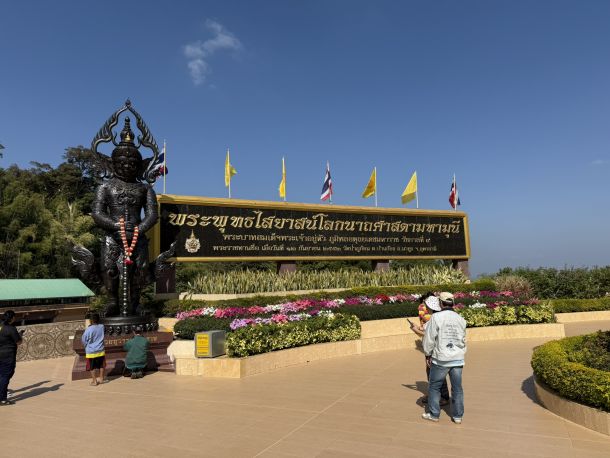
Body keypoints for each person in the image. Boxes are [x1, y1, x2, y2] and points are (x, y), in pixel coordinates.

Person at [421, 292, 467, 424]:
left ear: (440, 303)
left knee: (434, 387)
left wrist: (428, 354)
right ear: (453, 303)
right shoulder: (461, 319)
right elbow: (463, 340)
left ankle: (434, 414)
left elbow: (429, 338)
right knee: (457, 388)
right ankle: (458, 416)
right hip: (457, 358)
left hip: (441, 359)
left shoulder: (436, 317)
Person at [409, 293, 450, 405]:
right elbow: (426, 331)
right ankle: (437, 395)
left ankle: (442, 396)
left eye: (427, 305)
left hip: (434, 350)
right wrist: (417, 329)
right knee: (433, 373)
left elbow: (428, 335)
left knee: (435, 373)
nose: (425, 308)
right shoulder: (439, 317)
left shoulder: (434, 319)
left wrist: (415, 330)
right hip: (439, 349)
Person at [0, 311, 23, 406]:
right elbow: (18, 342)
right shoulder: (11, 329)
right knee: (5, 376)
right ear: (12, 318)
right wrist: (20, 335)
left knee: (2, 375)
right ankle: (2, 399)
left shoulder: (1, 326)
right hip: (8, 356)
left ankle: (2, 390)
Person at [82, 313, 106, 386]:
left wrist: (86, 346)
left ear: (91, 320)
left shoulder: (88, 329)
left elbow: (84, 340)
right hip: (100, 350)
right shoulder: (102, 326)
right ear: (98, 319)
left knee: (92, 367)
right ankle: (101, 379)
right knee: (101, 365)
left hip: (91, 351)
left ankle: (94, 381)